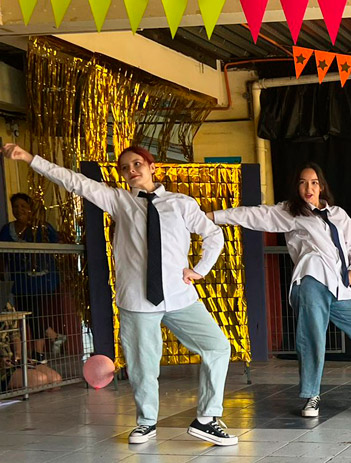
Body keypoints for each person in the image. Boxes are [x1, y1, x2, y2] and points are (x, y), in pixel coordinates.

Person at [1, 143, 237, 446]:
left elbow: (214, 234)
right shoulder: (119, 201)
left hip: (180, 297)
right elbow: (74, 181)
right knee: (142, 365)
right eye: (124, 168)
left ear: (153, 167)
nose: (131, 171)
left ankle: (206, 418)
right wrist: (29, 158)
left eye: (137, 164)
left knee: (217, 346)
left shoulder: (181, 203)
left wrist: (200, 269)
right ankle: (147, 423)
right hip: (138, 300)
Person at [209, 162, 351, 418]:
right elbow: (253, 215)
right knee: (313, 337)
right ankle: (311, 396)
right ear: (297, 187)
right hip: (312, 280)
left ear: (322, 186)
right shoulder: (290, 212)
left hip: (340, 286)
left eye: (314, 182)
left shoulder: (338, 214)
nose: (309, 187)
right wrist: (215, 216)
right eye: (303, 182)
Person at [0, 193, 68, 362]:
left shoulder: (42, 227)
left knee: (35, 314)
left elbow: (57, 245)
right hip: (20, 282)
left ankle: (39, 354)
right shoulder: (7, 230)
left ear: (31, 209)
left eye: (23, 206)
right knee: (28, 315)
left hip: (41, 281)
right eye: (16, 207)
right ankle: (53, 337)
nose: (19, 210)